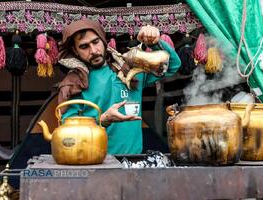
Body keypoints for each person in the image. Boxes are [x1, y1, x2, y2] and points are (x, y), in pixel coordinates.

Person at [57, 19, 181, 154]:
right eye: (84, 46)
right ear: (75, 51)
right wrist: (103, 120)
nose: (93, 50)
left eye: (95, 42)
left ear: (103, 41)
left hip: (133, 162)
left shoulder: (131, 71)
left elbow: (172, 65)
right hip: (96, 164)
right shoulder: (75, 84)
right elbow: (68, 134)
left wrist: (155, 43)